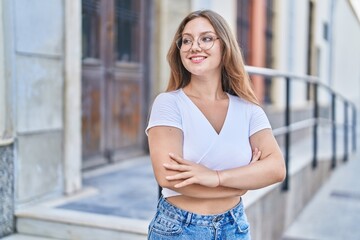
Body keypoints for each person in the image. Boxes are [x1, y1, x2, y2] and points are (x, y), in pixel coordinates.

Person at [145, 9, 286, 240]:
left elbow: (276, 169)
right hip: (180, 228)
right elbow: (168, 178)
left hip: (234, 227)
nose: (194, 46)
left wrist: (216, 177)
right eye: (187, 40)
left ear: (225, 46)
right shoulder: (169, 103)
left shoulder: (249, 110)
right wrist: (241, 184)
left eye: (206, 38)